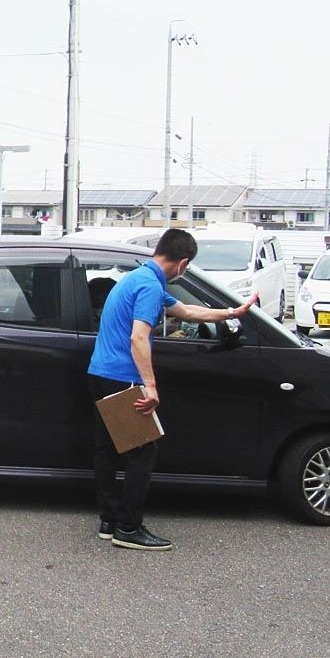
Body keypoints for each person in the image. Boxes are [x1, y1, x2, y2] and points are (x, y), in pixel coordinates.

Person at [88, 228, 256, 551]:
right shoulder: (150, 287)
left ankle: (109, 521)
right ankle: (128, 527)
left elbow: (188, 311)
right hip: (122, 376)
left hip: (99, 372)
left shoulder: (139, 279)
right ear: (182, 263)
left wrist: (231, 313)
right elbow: (139, 337)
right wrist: (150, 387)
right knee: (143, 451)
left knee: (107, 449)